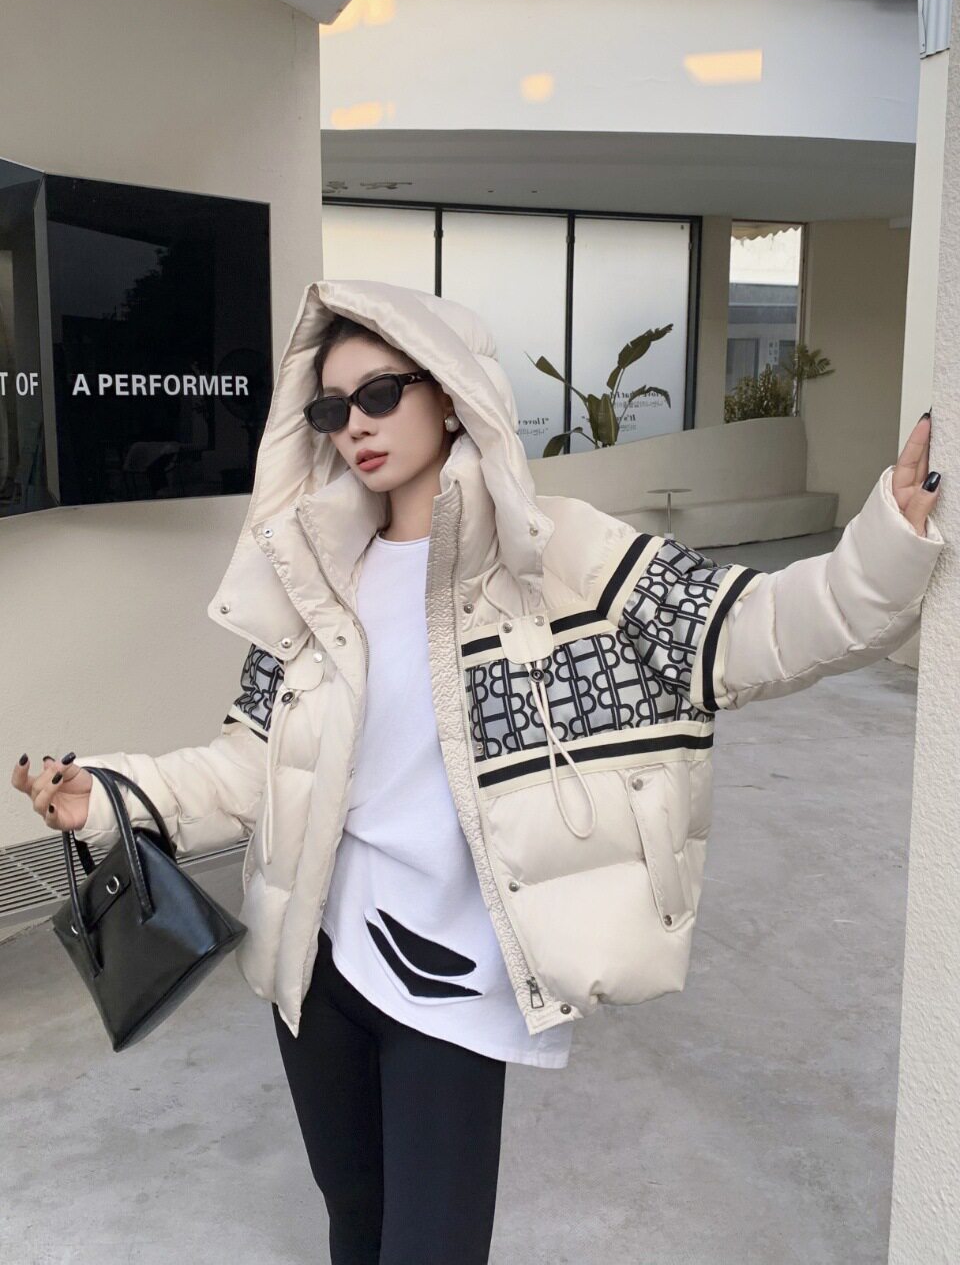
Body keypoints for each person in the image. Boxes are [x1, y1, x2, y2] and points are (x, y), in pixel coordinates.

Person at [11, 279, 946, 1264]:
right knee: (354, 1223)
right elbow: (249, 763)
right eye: (331, 409)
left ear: (450, 393)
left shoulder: (557, 550)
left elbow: (745, 633)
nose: (356, 425)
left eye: (381, 394)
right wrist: (109, 795)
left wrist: (883, 544)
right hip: (317, 966)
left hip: (451, 979)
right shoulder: (314, 573)